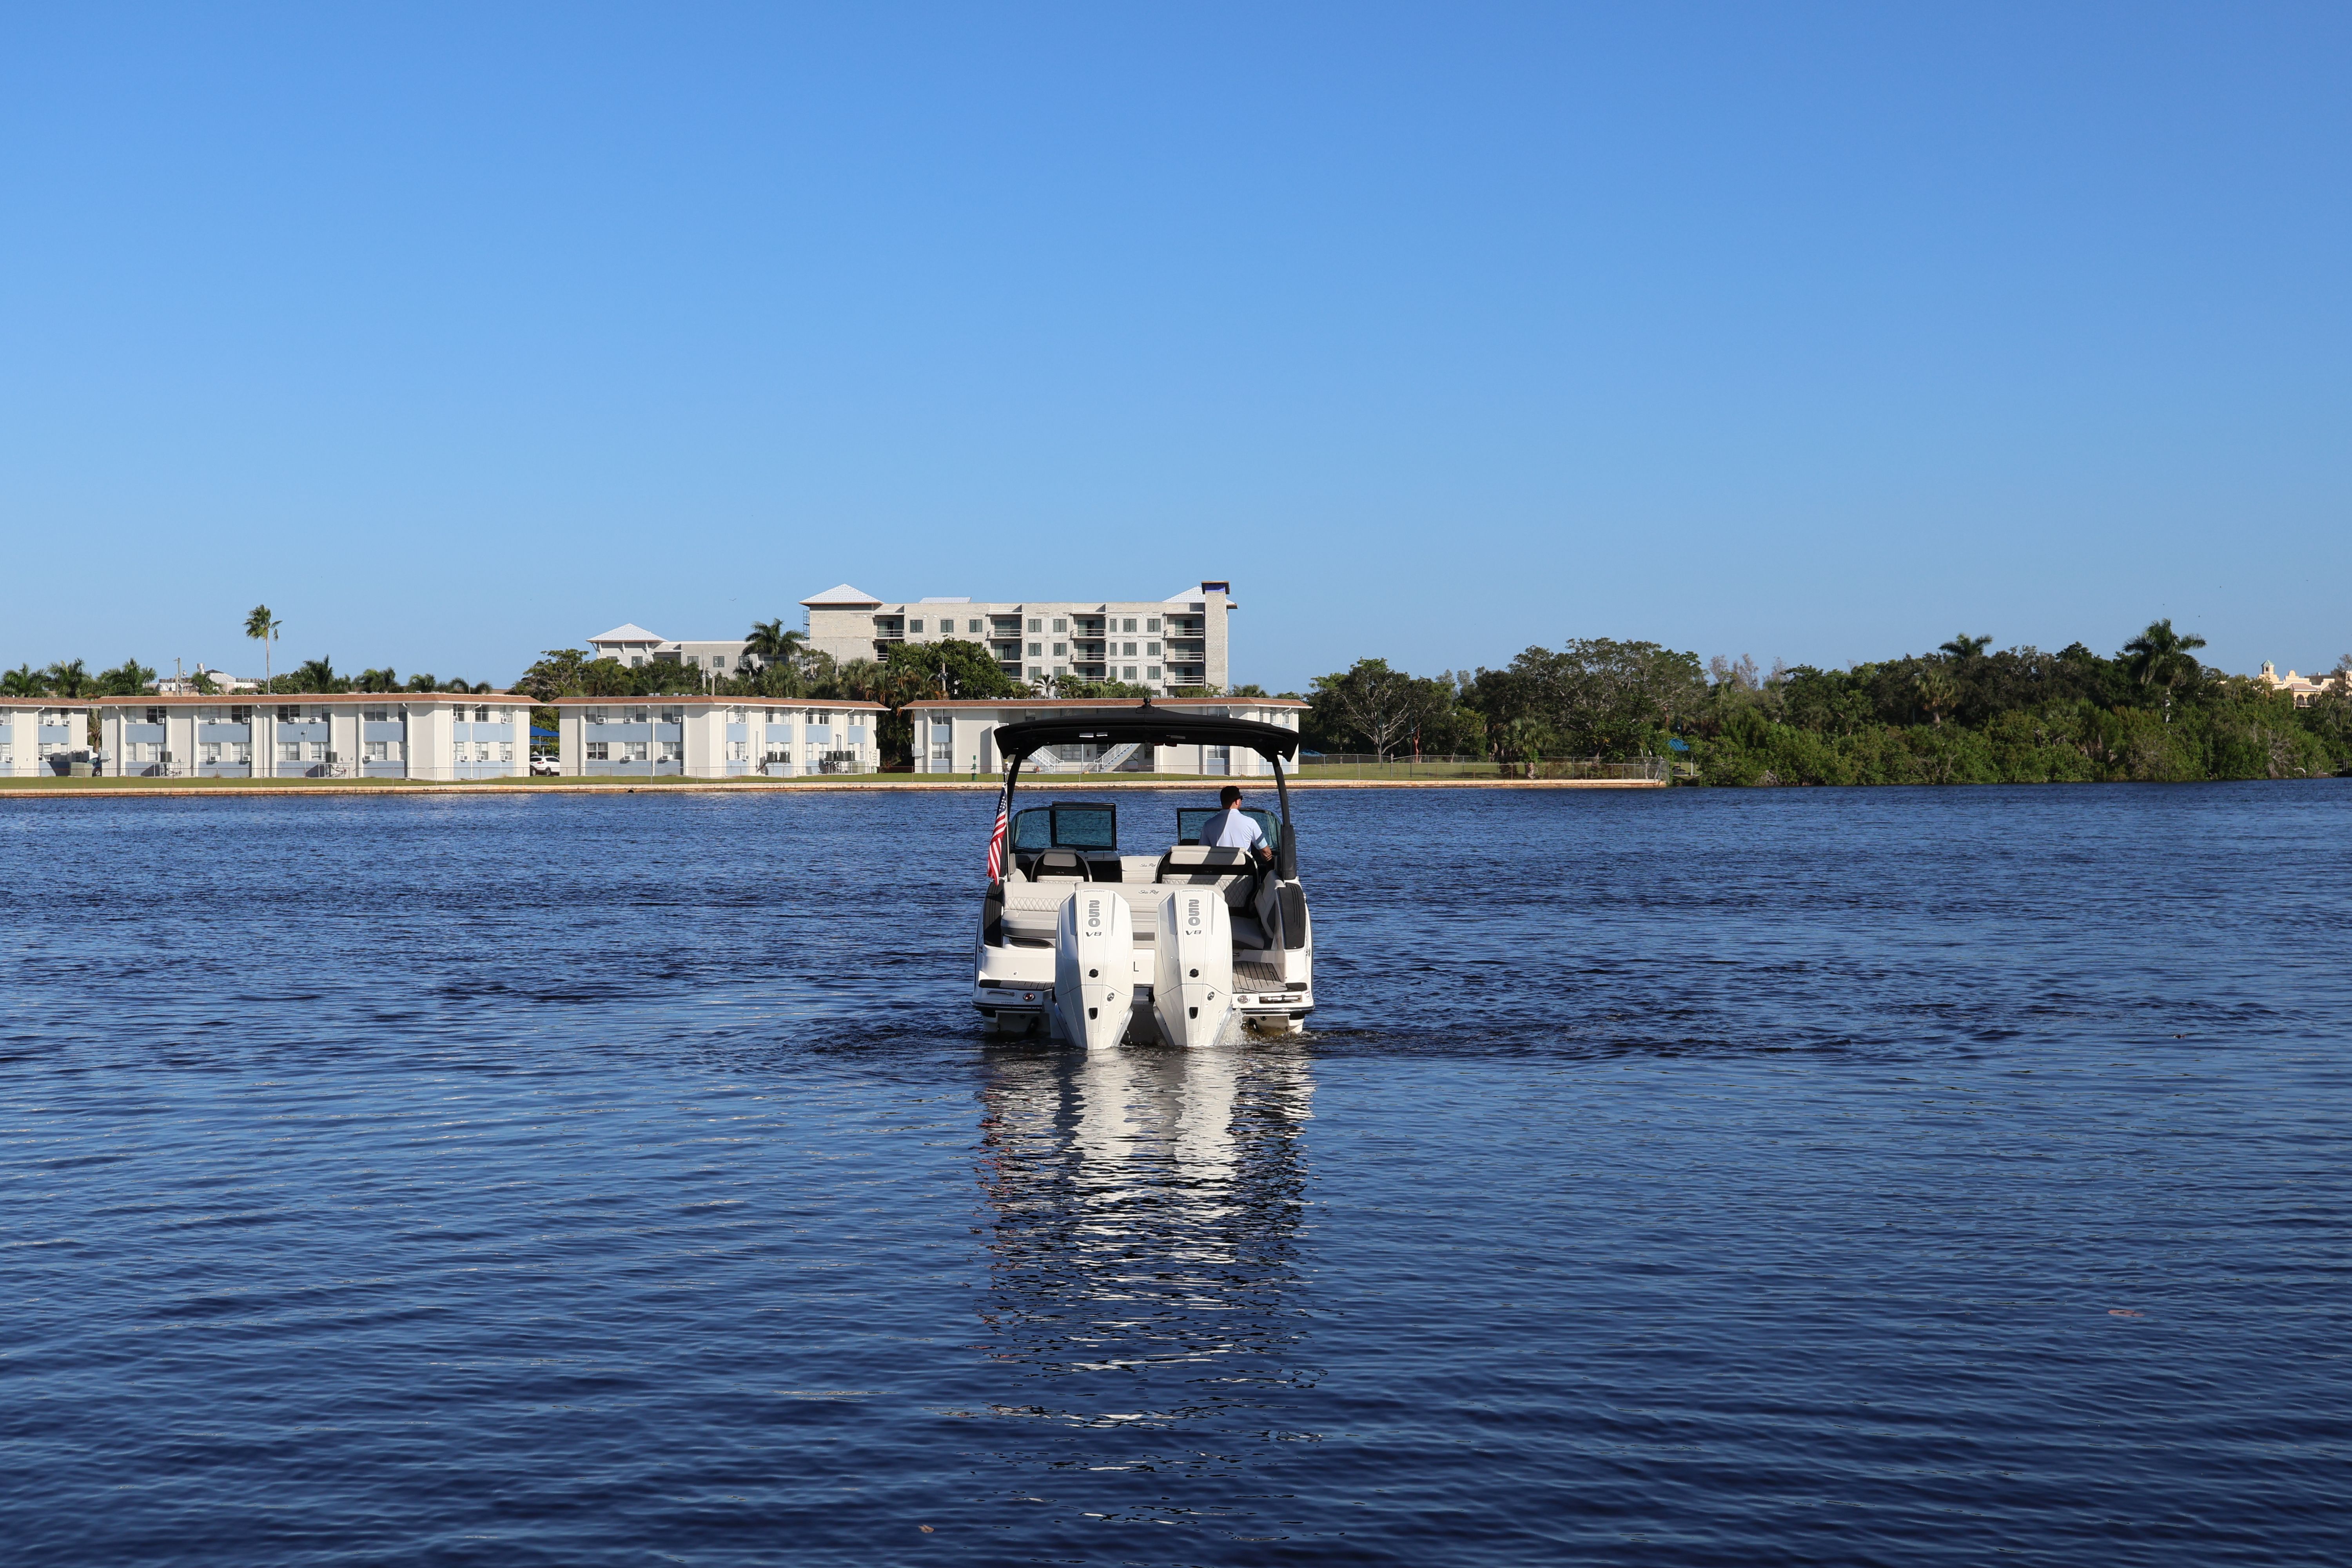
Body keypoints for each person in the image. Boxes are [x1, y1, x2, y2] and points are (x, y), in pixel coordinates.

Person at [1198, 784, 1274, 864]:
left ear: (1222, 802)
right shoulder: (1251, 823)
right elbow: (1266, 852)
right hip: (1244, 874)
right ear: (1238, 801)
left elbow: (1203, 852)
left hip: (1218, 872)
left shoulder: (1208, 824)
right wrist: (1271, 868)